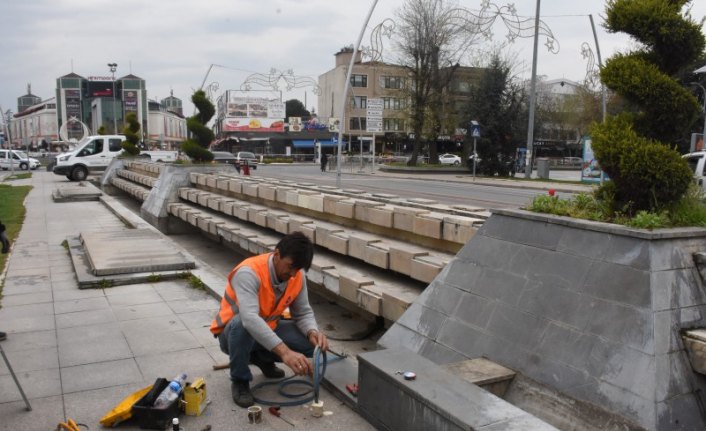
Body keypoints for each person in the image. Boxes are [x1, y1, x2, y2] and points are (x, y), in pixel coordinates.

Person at [210, 232, 329, 408]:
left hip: (266, 330)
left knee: (310, 344)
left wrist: (312, 331)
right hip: (232, 335)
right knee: (242, 324)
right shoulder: (249, 272)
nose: (293, 273)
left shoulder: (297, 276)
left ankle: (261, 357)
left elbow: (303, 313)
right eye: (290, 266)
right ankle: (240, 380)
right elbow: (249, 319)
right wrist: (285, 352)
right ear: (277, 254)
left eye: (298, 269)